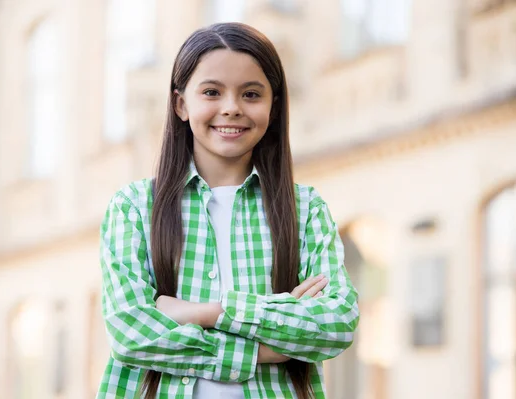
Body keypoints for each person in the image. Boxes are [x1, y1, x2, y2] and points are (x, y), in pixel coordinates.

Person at [97, 22, 359, 399]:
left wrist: (209, 312)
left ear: (274, 106)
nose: (232, 108)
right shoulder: (134, 208)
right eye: (211, 92)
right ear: (181, 104)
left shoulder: (305, 210)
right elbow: (130, 334)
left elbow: (336, 323)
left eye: (251, 94)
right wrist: (270, 347)